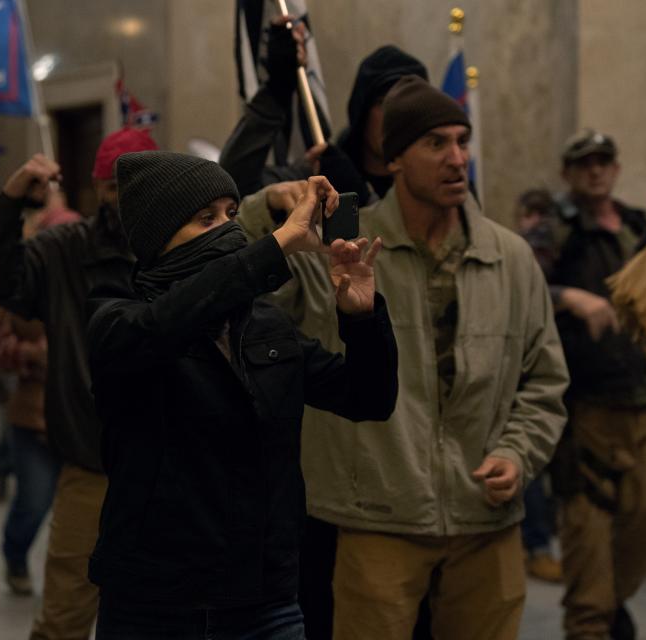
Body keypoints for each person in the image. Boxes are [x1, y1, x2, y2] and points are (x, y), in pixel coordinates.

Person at [238, 75, 568, 640]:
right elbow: (238, 286)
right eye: (436, 143)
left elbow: (544, 380)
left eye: (463, 141)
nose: (457, 157)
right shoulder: (341, 250)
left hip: (484, 517)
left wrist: (517, 453)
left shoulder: (509, 258)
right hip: (376, 515)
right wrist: (262, 207)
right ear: (394, 159)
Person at [84, 153, 399, 639]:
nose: (228, 231)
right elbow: (166, 324)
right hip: (154, 602)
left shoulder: (267, 325)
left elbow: (368, 398)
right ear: (158, 238)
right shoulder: (117, 320)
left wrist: (361, 318)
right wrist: (275, 247)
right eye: (205, 219)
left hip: (263, 599)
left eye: (232, 215)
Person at [520, 129, 646, 640]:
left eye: (603, 162)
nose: (595, 171)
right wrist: (570, 296)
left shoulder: (640, 224)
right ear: (569, 173)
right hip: (588, 411)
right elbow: (519, 287)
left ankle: (608, 605)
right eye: (584, 163)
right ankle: (595, 617)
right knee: (588, 553)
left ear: (615, 169)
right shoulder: (553, 230)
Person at [0, 127, 157, 639]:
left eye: (138, 187)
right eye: (113, 188)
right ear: (97, 188)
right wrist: (14, 198)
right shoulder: (66, 250)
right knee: (65, 614)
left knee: (158, 614)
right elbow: (3, 280)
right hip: (92, 462)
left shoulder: (182, 251)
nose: (124, 201)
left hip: (172, 470)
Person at [220, 32, 428, 206]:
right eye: (384, 104)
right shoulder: (325, 171)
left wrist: (360, 200)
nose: (396, 115)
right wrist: (277, 91)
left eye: (409, 106)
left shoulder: (431, 179)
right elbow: (234, 186)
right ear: (362, 111)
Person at [0, 201, 80, 596]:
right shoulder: (20, 291)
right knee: (33, 502)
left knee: (81, 516)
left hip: (82, 419)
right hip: (33, 416)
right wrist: (37, 353)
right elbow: (0, 350)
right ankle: (14, 556)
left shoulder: (87, 288)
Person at [514, 189, 564, 584]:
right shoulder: (520, 253)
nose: (536, 223)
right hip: (523, 374)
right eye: (531, 214)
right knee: (527, 464)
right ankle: (538, 544)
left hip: (560, 373)